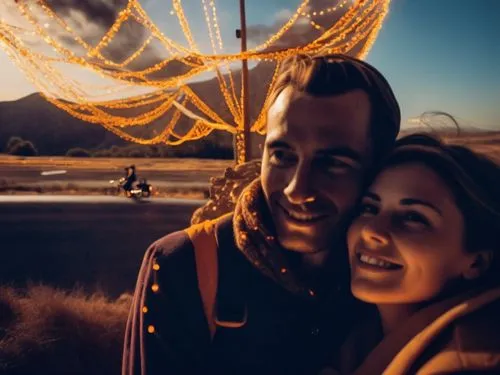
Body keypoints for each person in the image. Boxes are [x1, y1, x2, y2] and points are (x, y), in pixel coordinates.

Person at [122, 54, 401, 375]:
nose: (297, 190)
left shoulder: (392, 277)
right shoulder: (185, 263)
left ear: (378, 169)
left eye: (334, 163)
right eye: (282, 155)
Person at [330, 133, 500, 374]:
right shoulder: (356, 337)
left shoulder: (468, 361)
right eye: (370, 208)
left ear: (477, 262)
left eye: (413, 217)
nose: (371, 230)